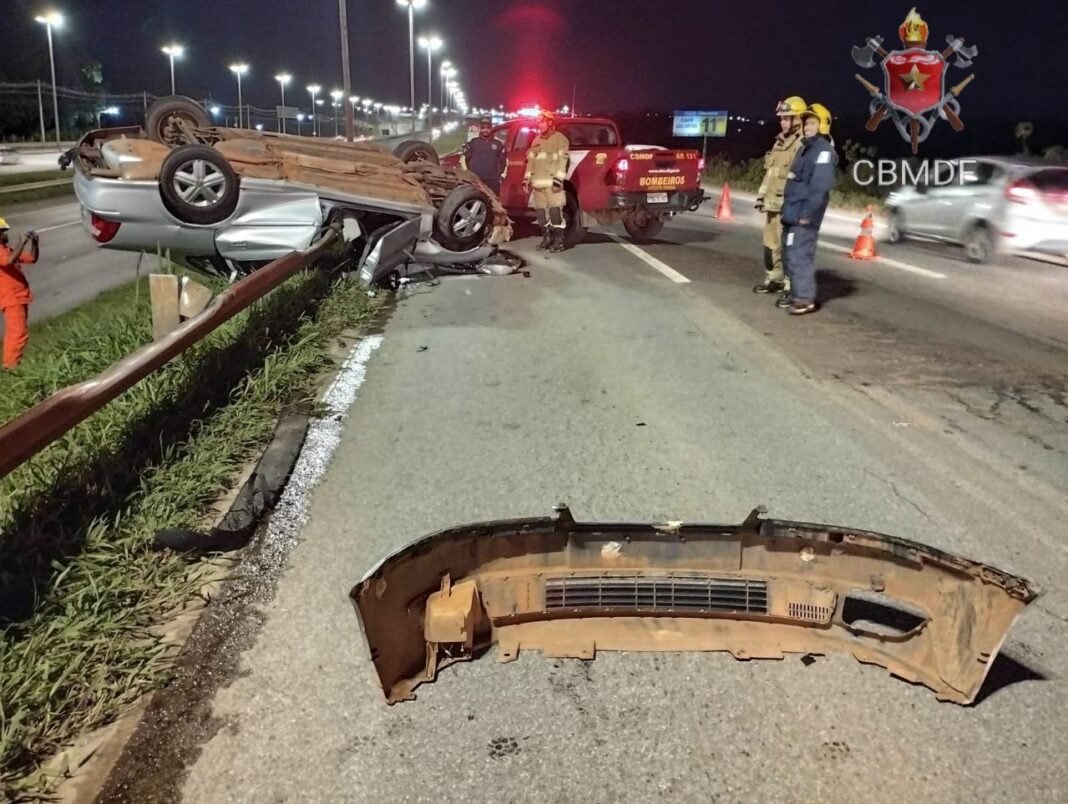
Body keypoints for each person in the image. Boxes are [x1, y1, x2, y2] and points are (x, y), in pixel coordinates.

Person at [778, 103, 837, 316]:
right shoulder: (805, 150)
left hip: (803, 216)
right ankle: (796, 293)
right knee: (789, 254)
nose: (807, 127)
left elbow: (819, 188)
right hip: (792, 214)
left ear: (822, 125)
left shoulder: (824, 152)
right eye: (805, 123)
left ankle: (804, 299)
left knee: (799, 255)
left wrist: (806, 215)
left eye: (812, 123)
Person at [753, 96, 807, 295]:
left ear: (798, 120)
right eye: (781, 118)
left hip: (790, 206)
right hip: (772, 205)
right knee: (770, 244)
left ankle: (792, 285)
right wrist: (761, 197)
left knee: (789, 246)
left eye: (787, 118)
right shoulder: (779, 143)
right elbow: (771, 173)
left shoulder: (802, 145)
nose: (782, 122)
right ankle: (774, 279)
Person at [523, 110, 570, 252]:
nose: (539, 125)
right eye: (538, 122)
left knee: (555, 212)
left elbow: (563, 161)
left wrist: (558, 179)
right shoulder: (536, 140)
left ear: (550, 123)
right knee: (541, 214)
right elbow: (531, 161)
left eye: (542, 122)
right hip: (538, 184)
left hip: (552, 184)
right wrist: (526, 179)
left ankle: (558, 242)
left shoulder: (561, 140)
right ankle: (546, 239)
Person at [0, 218, 40, 370]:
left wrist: (34, 244)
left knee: (15, 333)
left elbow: (32, 258)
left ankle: (11, 363)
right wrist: (22, 242)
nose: (6, 235)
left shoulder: (7, 250)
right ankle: (11, 366)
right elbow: (8, 261)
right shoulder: (4, 253)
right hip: (11, 298)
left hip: (19, 297)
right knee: (18, 333)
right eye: (3, 232)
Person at [460, 117, 507, 195]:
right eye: (483, 128)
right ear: (480, 129)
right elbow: (464, 159)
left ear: (491, 128)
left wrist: (501, 177)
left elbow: (504, 161)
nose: (485, 130)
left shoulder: (498, 144)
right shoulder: (473, 142)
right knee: (474, 202)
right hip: (475, 180)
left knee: (493, 203)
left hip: (493, 181)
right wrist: (468, 174)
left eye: (488, 128)